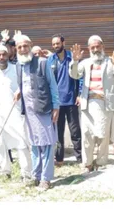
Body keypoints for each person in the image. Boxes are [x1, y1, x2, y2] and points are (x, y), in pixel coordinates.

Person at [69, 35, 114, 172]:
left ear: (102, 46)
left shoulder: (111, 62)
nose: (96, 49)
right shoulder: (84, 63)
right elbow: (74, 75)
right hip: (87, 104)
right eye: (93, 47)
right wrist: (75, 61)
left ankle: (101, 162)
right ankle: (88, 163)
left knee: (103, 135)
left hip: (105, 105)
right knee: (86, 134)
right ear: (89, 48)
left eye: (98, 46)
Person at [14, 34, 60, 191]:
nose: (22, 49)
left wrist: (56, 107)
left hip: (43, 109)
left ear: (30, 46)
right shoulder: (18, 65)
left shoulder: (42, 62)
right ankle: (36, 175)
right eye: (19, 47)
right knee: (34, 144)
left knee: (47, 144)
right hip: (28, 112)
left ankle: (46, 179)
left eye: (25, 46)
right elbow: (25, 84)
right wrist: (18, 91)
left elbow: (52, 85)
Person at [0, 45, 32, 182]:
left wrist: (20, 92)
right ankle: (5, 170)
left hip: (15, 111)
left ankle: (26, 172)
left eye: (3, 55)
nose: (1, 58)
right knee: (1, 142)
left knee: (22, 140)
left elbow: (24, 85)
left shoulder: (16, 69)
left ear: (8, 56)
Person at [47, 33, 82, 166]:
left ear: (63, 43)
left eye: (58, 43)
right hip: (57, 103)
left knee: (75, 131)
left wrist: (78, 93)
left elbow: (80, 76)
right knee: (58, 132)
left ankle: (79, 158)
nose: (56, 46)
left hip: (71, 101)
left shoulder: (72, 58)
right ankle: (59, 158)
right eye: (53, 44)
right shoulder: (51, 60)